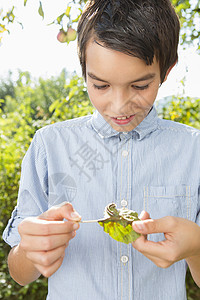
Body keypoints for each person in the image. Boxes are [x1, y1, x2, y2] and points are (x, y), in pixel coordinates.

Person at [3, 0, 200, 299]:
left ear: (166, 70)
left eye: (139, 86)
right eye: (101, 86)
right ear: (84, 69)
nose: (119, 106)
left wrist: (197, 246)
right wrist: (30, 252)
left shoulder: (192, 150)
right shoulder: (49, 146)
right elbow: (19, 274)